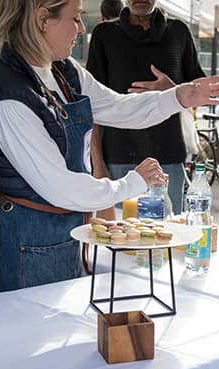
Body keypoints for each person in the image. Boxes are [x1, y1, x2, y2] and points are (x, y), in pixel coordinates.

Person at [0, 0, 219, 294]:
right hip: (23, 238)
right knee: (29, 333)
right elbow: (64, 188)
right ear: (43, 19)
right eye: (75, 18)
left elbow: (117, 107)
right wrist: (132, 182)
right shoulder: (10, 96)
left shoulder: (63, 70)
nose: (82, 29)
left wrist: (178, 97)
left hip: (58, 232)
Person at [86, 0, 205, 214]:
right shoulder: (105, 35)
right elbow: (91, 107)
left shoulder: (178, 32)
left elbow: (201, 94)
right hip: (118, 159)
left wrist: (174, 90)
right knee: (121, 240)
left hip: (168, 157)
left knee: (168, 238)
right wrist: (98, 164)